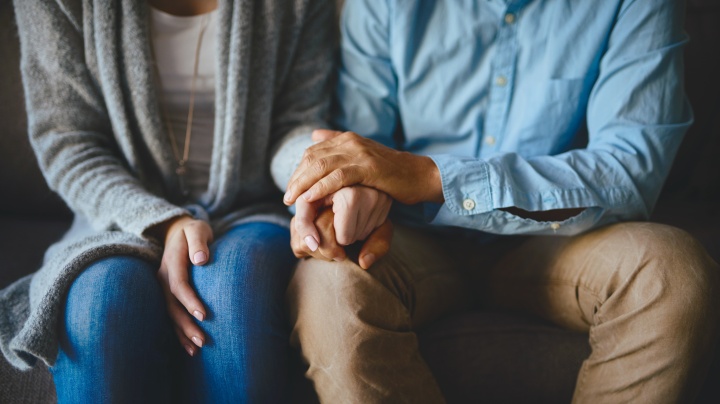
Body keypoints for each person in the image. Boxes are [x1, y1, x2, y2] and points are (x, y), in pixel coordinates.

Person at [278, 0, 720, 402]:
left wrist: (431, 177)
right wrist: (348, 194)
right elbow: (357, 145)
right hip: (411, 239)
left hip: (559, 239)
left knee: (671, 273)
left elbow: (628, 171)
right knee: (329, 286)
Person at [0, 0, 334, 401]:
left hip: (251, 206)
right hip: (118, 212)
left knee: (234, 297)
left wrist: (317, 171)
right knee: (101, 304)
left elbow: (295, 124)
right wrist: (163, 221)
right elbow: (68, 143)